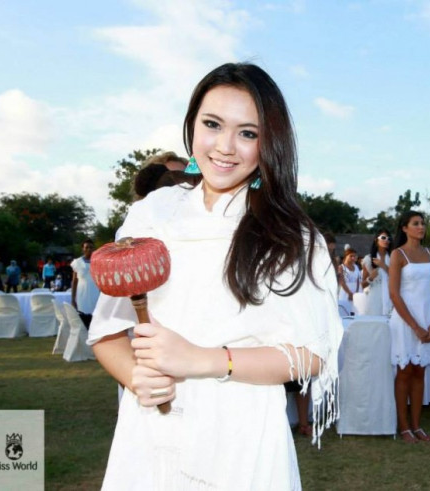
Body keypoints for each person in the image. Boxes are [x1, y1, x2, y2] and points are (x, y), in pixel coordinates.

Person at [88, 62, 342, 490]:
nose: (226, 147)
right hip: (150, 432)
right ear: (192, 126)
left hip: (241, 436)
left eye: (248, 133)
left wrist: (205, 360)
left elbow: (311, 355)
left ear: (270, 143)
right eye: (212, 124)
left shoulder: (290, 234)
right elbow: (108, 332)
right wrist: (137, 378)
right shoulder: (151, 214)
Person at [389, 210, 430, 443]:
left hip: (427, 317)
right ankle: (404, 426)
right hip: (405, 320)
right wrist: (415, 326)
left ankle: (417, 424)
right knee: (405, 371)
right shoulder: (398, 254)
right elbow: (394, 294)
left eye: (423, 223)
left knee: (421, 371)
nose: (421, 227)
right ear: (404, 228)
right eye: (416, 223)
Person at [70, 239, 101, 328]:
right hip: (82, 294)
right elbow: (74, 282)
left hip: (95, 293)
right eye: (86, 247)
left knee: (94, 317)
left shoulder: (97, 262)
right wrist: (73, 299)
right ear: (82, 249)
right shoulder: (77, 262)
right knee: (83, 317)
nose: (89, 249)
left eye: (91, 247)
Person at [361, 229, 393, 315]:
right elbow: (362, 285)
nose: (386, 240)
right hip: (375, 297)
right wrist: (371, 278)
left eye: (388, 239)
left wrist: (383, 265)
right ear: (376, 239)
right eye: (383, 237)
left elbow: (398, 277)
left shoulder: (393, 257)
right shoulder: (368, 259)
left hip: (391, 296)